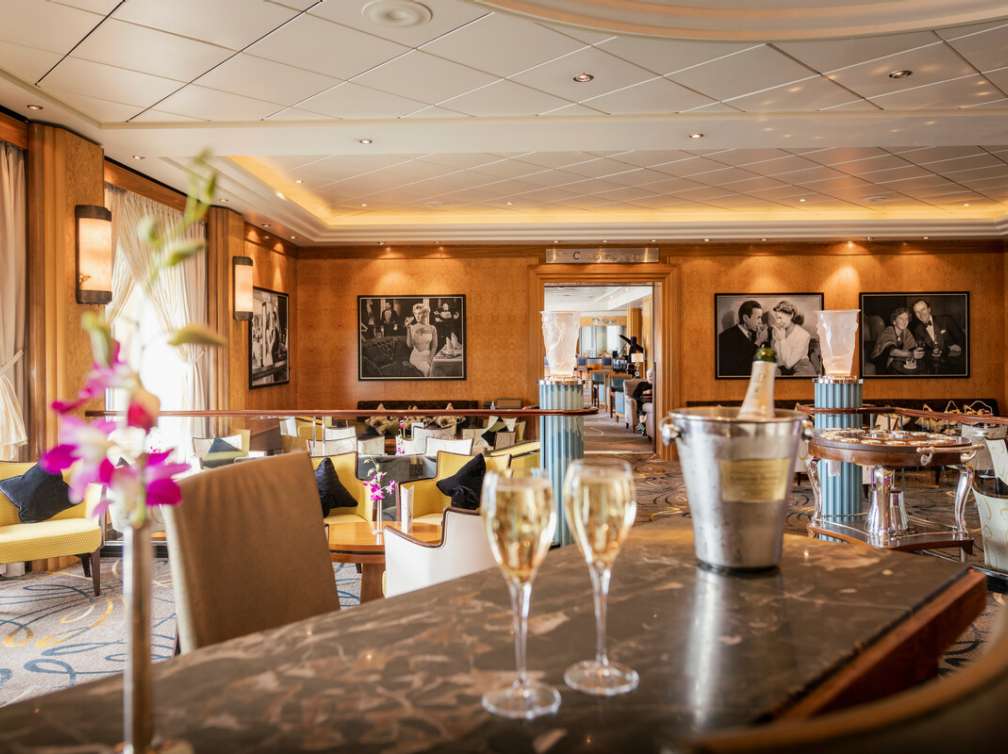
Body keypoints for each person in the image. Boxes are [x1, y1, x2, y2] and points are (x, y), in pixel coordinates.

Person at [910, 298, 964, 371]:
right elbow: (923, 350)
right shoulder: (918, 330)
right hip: (934, 366)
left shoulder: (946, 320)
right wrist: (930, 353)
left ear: (929, 309)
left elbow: (963, 338)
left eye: (923, 309)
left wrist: (959, 346)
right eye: (917, 312)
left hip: (955, 363)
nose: (921, 314)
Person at [717, 300, 769, 376]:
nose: (760, 322)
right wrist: (758, 342)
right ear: (745, 318)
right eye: (758, 318)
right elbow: (740, 367)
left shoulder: (756, 334)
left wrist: (763, 341)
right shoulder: (726, 337)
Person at [871, 307, 925, 374]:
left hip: (896, 364)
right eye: (901, 318)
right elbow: (892, 351)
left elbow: (912, 347)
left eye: (906, 319)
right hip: (882, 365)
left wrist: (917, 352)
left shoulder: (906, 332)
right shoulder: (888, 331)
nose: (904, 321)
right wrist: (911, 354)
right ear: (894, 322)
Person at [770, 300, 814, 376]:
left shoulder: (804, 335)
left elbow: (788, 363)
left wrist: (782, 340)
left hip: (802, 369)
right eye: (776, 318)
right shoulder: (777, 331)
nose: (778, 321)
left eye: (780, 317)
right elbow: (777, 359)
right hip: (782, 370)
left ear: (791, 315)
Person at [406, 302, 437, 377]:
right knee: (427, 369)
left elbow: (434, 346)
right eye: (415, 314)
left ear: (426, 314)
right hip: (416, 357)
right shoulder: (412, 327)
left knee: (436, 370)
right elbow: (410, 346)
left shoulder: (432, 328)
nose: (417, 316)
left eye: (419, 313)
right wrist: (408, 329)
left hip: (428, 356)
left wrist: (430, 359)